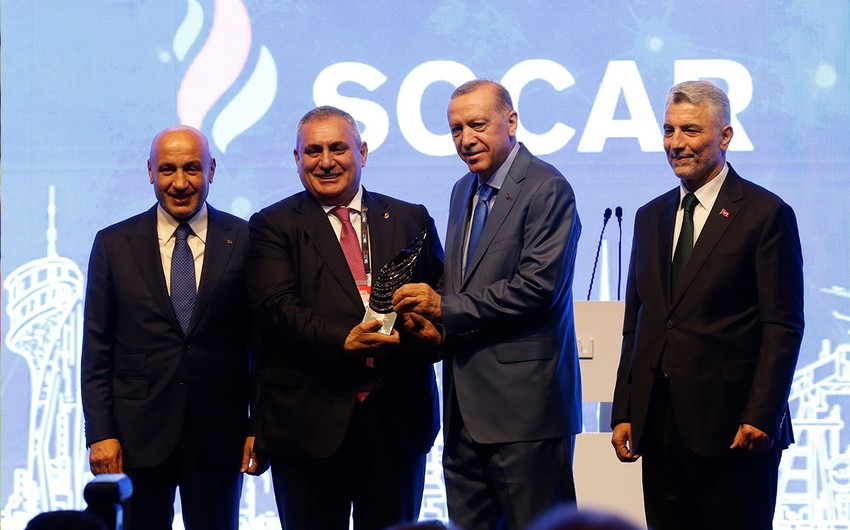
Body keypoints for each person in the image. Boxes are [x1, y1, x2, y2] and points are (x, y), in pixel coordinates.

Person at [610, 80, 804, 530]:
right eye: (669, 130)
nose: (676, 143)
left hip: (735, 429)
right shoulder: (649, 216)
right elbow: (637, 323)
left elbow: (783, 326)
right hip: (659, 429)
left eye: (691, 130)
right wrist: (625, 409)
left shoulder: (765, 213)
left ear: (725, 136)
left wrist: (762, 414)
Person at [393, 79, 583, 530]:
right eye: (456, 129)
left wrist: (443, 308)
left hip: (526, 415)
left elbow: (536, 290)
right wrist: (427, 322)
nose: (466, 139)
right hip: (463, 413)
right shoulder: (463, 189)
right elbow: (461, 282)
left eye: (477, 125)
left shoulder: (547, 188)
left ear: (511, 122)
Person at [246, 106, 444, 530]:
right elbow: (276, 308)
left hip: (397, 419)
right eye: (312, 151)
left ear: (363, 152)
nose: (326, 161)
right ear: (297, 158)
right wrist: (343, 340)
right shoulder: (272, 225)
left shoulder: (411, 217)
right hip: (308, 423)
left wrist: (433, 334)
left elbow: (440, 296)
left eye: (338, 148)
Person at [81, 125, 261, 530]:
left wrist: (258, 428)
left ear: (211, 170)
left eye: (192, 168)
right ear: (150, 172)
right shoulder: (113, 243)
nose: (180, 183)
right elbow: (97, 348)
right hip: (135, 437)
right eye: (167, 170)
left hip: (220, 435)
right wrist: (100, 433)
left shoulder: (247, 239)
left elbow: (263, 345)